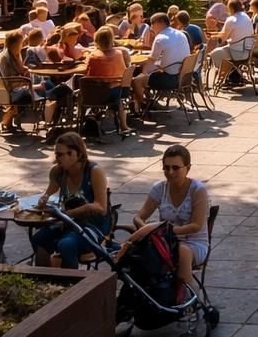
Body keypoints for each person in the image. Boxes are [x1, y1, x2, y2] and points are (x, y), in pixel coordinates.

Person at [129, 144, 211, 293]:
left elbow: (196, 226)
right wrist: (146, 229)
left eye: (175, 168)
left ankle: (189, 297)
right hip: (165, 241)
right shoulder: (159, 188)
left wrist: (168, 231)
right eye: (166, 168)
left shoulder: (198, 190)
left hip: (193, 242)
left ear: (188, 168)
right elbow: (139, 217)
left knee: (182, 251)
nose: (170, 172)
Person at [32, 131, 110, 269]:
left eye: (61, 154)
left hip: (93, 225)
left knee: (66, 245)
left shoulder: (94, 171)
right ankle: (44, 279)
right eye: (56, 154)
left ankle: (72, 284)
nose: (58, 158)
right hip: (68, 222)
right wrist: (44, 198)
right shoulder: (58, 171)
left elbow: (101, 208)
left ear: (76, 154)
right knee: (39, 238)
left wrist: (71, 213)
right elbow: (50, 190)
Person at [84, 26, 133, 137]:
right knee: (119, 99)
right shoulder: (118, 54)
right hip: (114, 94)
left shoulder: (93, 56)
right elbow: (122, 73)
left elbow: (88, 75)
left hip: (95, 94)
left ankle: (84, 119)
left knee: (84, 87)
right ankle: (124, 125)